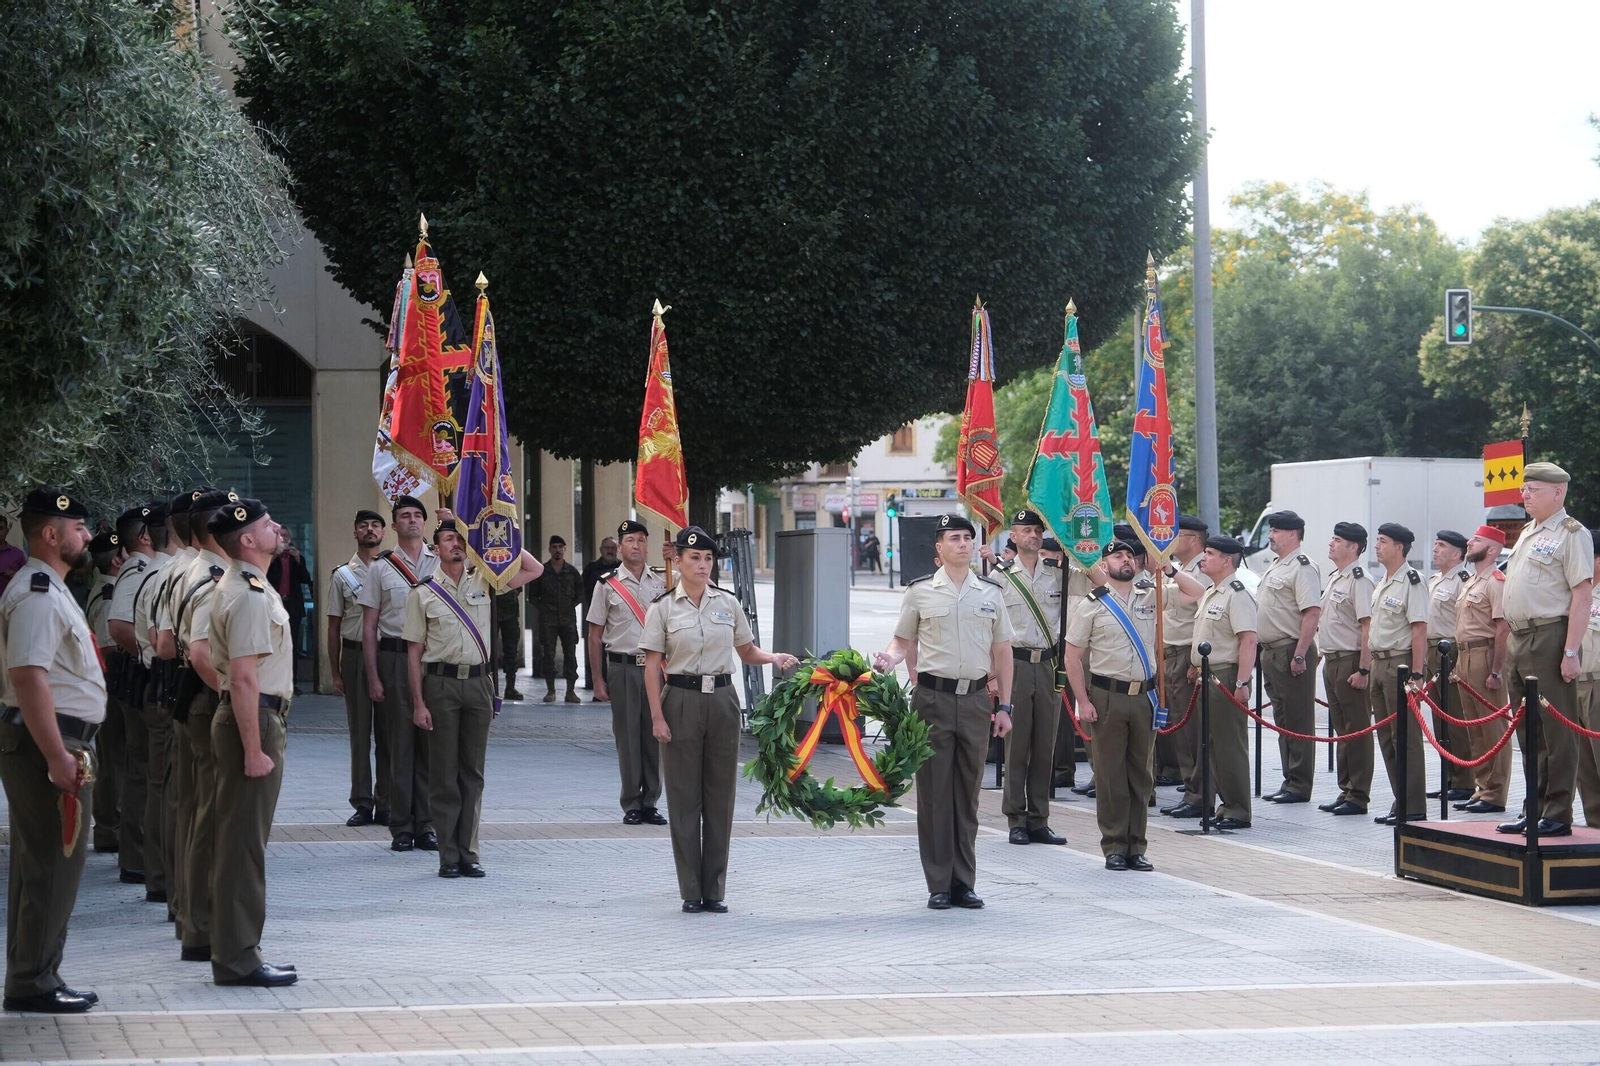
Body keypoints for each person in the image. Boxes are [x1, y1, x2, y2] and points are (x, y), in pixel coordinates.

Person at [642, 526, 797, 912]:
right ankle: (690, 890)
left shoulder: (727, 603)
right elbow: (651, 666)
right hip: (679, 699)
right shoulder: (662, 607)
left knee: (719, 797)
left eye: (708, 558)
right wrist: (657, 716)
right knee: (683, 797)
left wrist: (773, 658)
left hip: (723, 701)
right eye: (694, 558)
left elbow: (746, 650)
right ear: (676, 561)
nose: (702, 564)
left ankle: (715, 890)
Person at [874, 513, 1013, 907]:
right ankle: (938, 884)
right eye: (955, 538)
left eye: (968, 538)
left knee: (967, 794)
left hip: (973, 701)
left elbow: (1003, 652)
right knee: (934, 795)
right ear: (939, 548)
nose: (964, 544)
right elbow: (902, 641)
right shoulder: (920, 592)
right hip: (932, 700)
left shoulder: (990, 592)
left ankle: (963, 883)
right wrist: (889, 658)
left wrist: (1005, 704)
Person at [0, 489, 101, 1013]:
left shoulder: (52, 588)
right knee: (52, 865)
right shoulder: (38, 591)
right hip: (51, 742)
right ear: (50, 533)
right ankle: (33, 981)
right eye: (79, 527)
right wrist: (59, 757)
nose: (87, 536)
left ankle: (32, 973)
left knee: (42, 863)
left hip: (57, 738)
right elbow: (28, 677)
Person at [406, 516, 541, 877]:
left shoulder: (487, 579)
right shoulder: (422, 592)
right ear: (435, 548)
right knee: (443, 774)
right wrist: (418, 703)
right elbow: (413, 653)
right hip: (441, 685)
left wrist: (490, 537)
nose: (455, 544)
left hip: (479, 684)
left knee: (472, 773)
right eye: (449, 538)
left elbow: (534, 568)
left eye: (461, 539)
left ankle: (470, 852)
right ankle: (448, 855)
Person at [206, 497, 298, 987]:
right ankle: (238, 957)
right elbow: (242, 679)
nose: (277, 528)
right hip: (253, 719)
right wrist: (253, 749)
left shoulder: (252, 587)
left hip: (257, 716)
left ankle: (237, 949)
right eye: (268, 525)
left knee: (242, 842)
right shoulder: (248, 594)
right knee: (243, 847)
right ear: (246, 540)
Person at [1496, 462, 1593, 837]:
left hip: (1550, 635)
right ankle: (1533, 808)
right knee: (1527, 732)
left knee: (1557, 732)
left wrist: (1570, 652)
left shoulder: (1572, 533)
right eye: (1524, 489)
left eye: (1533, 489)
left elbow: (1581, 595)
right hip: (1520, 637)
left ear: (1558, 493)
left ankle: (1557, 812)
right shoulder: (1527, 532)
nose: (1525, 495)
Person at [1061, 540, 1158, 870]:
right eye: (1118, 555)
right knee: (1110, 774)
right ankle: (1115, 845)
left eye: (1130, 555)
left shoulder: (1151, 595)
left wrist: (1169, 569)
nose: (1126, 559)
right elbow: (1072, 657)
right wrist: (1083, 702)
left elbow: (1194, 594)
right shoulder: (1092, 605)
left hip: (1144, 696)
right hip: (1107, 697)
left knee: (1141, 775)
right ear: (1104, 565)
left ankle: (1138, 846)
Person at [169, 489, 232, 965]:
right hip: (207, 699)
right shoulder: (210, 578)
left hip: (189, 697)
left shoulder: (186, 568)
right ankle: (201, 924)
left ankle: (190, 916)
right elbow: (199, 652)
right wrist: (233, 697)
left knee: (195, 811)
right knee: (210, 818)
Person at [359, 495, 438, 853]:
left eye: (417, 515)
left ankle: (427, 824)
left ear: (426, 522)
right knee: (399, 745)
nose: (411, 520)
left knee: (430, 745)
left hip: (432, 661)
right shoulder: (380, 567)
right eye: (404, 516)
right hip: (393, 659)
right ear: (393, 525)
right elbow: (369, 626)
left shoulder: (442, 562)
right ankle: (401, 824)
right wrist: (373, 677)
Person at [984, 509, 1066, 846]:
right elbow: (988, 630)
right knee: (1016, 746)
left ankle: (1039, 820)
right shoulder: (999, 578)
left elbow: (1094, 579)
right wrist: (992, 676)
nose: (1033, 535)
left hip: (1048, 665)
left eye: (1037, 530)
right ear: (1013, 537)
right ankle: (1015, 818)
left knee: (1045, 744)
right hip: (1014, 665)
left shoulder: (1058, 575)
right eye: (1025, 530)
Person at [589, 520, 668, 825]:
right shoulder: (606, 585)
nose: (636, 545)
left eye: (641, 540)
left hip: (656, 669)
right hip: (621, 669)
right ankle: (631, 802)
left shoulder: (664, 581)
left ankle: (651, 801)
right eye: (630, 540)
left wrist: (677, 560)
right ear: (620, 547)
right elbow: (595, 635)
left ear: (648, 546)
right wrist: (597, 679)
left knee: (655, 735)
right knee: (627, 738)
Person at [1178, 535, 1258, 829]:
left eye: (1210, 553)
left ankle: (1238, 808)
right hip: (1206, 676)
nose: (1204, 557)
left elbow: (1248, 640)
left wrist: (1242, 682)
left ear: (1227, 560)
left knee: (1229, 745)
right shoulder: (1214, 592)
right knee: (1211, 743)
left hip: (1225, 676)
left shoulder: (1237, 594)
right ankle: (1226, 805)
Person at [1255, 510, 1322, 805]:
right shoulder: (1277, 565)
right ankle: (1289, 779)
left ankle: (1299, 783)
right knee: (1282, 720)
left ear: (1293, 534)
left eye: (1276, 531)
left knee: (1298, 720)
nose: (1271, 535)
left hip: (1290, 649)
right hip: (1272, 651)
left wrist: (1299, 654)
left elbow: (1311, 612)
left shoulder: (1302, 567)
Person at [328, 509, 388, 827]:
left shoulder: (394, 570)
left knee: (389, 733)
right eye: (363, 525)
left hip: (387, 657)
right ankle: (363, 802)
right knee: (360, 733)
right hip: (353, 658)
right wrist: (335, 673)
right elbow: (333, 626)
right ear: (355, 533)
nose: (369, 529)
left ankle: (387, 801)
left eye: (375, 525)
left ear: (383, 531)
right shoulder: (342, 575)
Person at [1367, 523, 1429, 825]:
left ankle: (1414, 805)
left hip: (1400, 664)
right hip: (1380, 663)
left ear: (1399, 548)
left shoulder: (1412, 581)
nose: (1377, 546)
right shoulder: (1384, 580)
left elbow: (1419, 629)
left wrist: (1417, 673)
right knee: (1387, 738)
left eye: (1383, 541)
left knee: (1405, 737)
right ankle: (1400, 799)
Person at [107, 505, 155, 886]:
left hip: (140, 671)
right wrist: (147, 656)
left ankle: (139, 855)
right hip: (138, 674)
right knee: (141, 768)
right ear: (143, 536)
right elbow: (119, 625)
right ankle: (136, 856)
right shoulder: (137, 571)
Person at [1316, 522, 1376, 816]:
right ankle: (1346, 789)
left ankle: (1359, 795)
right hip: (1333, 660)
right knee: (1343, 730)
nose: (1331, 543)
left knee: (1358, 730)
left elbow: (1367, 626)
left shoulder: (1359, 580)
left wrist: (1364, 669)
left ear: (1353, 547)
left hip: (1351, 661)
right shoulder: (1336, 578)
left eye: (1337, 540)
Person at [1453, 525, 1511, 813]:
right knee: (1474, 728)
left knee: (1492, 727)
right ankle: (1482, 787)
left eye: (1475, 540)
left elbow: (1503, 628)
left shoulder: (1496, 581)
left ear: (1492, 549)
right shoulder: (1471, 581)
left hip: (1485, 655)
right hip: (1464, 656)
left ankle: (1495, 793)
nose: (1469, 542)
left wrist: (1497, 670)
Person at [1156, 515, 1210, 810]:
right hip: (1171, 653)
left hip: (1186, 655)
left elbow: (1199, 615)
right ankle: (1191, 790)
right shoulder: (1182, 569)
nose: (1171, 540)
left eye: (1177, 535)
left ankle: (1198, 795)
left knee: (1190, 732)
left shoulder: (1200, 570)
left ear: (1192, 540)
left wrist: (1194, 662)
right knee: (1178, 725)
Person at [85, 529, 126, 854]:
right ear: (115, 560)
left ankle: (110, 825)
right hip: (111, 684)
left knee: (114, 758)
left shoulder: (106, 590)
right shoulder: (109, 596)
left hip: (108, 684)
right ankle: (109, 828)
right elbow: (107, 647)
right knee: (113, 761)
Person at [1426, 530, 1475, 801]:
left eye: (1441, 545)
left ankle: (1464, 780)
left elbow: (1462, 622)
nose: (1435, 549)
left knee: (1456, 717)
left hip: (1450, 650)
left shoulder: (1461, 581)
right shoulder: (1435, 580)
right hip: (1433, 650)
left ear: (1457, 554)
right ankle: (1449, 777)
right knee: (1439, 718)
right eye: (1435, 544)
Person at [534, 535, 583, 703]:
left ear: (565, 549)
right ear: (549, 549)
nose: (557, 550)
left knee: (571, 655)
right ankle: (551, 690)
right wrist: (546, 609)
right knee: (548, 655)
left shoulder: (572, 572)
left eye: (560, 547)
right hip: (548, 621)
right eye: (554, 547)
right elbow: (533, 596)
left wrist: (568, 606)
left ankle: (570, 691)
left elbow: (580, 594)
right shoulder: (542, 571)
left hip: (568, 620)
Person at [1575, 532, 1600, 826]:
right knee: (1585, 765)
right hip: (1577, 683)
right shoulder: (1579, 594)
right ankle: (1595, 826)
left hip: (1598, 683)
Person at [266, 527, 312, 671]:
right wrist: (273, 556)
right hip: (274, 606)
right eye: (280, 535)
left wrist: (298, 559)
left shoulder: (297, 558)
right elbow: (264, 576)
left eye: (286, 536)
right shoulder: (270, 558)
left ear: (290, 538)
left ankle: (293, 681)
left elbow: (305, 579)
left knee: (292, 644)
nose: (283, 538)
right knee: (273, 643)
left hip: (293, 606)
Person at [580, 536, 620, 690]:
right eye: (607, 548)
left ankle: (614, 687)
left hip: (616, 621)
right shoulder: (591, 569)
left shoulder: (623, 568)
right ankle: (595, 684)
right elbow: (580, 590)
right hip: (596, 618)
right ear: (601, 550)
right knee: (595, 650)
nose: (609, 551)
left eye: (613, 548)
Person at [493, 590, 526, 701]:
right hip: (491, 612)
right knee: (489, 652)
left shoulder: (511, 572)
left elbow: (518, 588)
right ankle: (490, 687)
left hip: (510, 612)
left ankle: (510, 687)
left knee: (511, 650)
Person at [0, 512, 26, 596]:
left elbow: (26, 578)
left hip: (10, 602)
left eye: (1, 528)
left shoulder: (18, 554)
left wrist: (16, 574)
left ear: (7, 531)